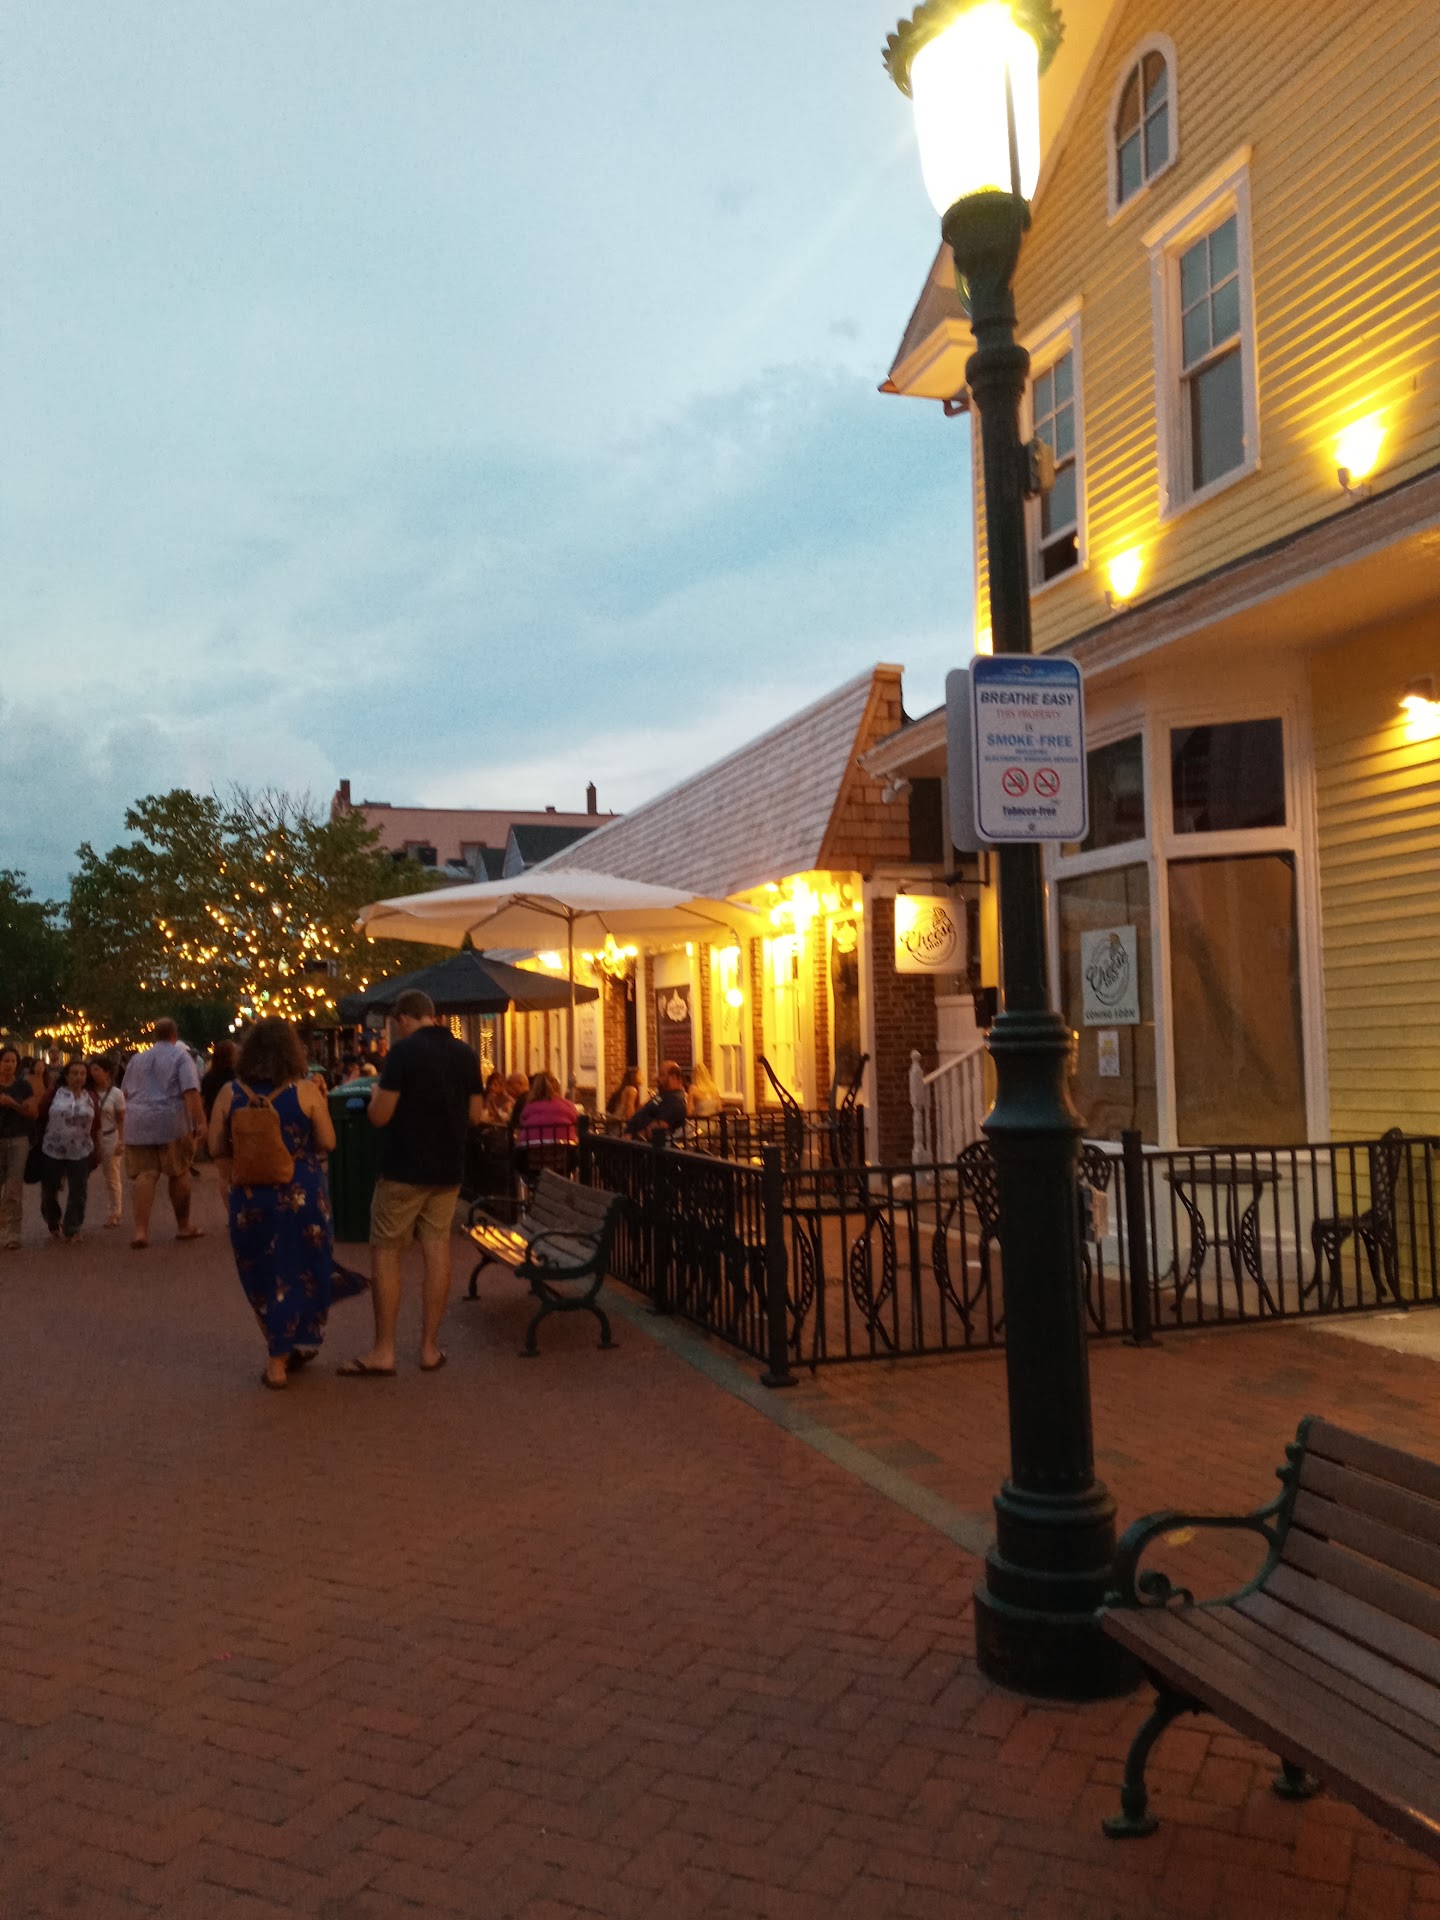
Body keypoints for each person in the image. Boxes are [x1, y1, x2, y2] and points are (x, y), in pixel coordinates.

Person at [209, 1018, 367, 1391]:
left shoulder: (230, 1093)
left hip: (251, 1197)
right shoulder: (306, 1091)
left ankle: (279, 1349)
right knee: (302, 1267)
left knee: (262, 1273)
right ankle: (280, 1357)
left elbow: (215, 1147)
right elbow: (328, 1141)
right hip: (302, 1193)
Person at [340, 989, 484, 1377]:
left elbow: (380, 1116)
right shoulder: (466, 1054)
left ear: (403, 1018)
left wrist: (375, 1095)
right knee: (437, 1250)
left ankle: (383, 1351)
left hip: (403, 1169)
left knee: (387, 1252)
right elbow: (475, 1115)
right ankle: (429, 1349)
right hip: (448, 1171)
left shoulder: (403, 1053)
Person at [122, 1016, 206, 1249]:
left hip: (138, 1122)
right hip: (171, 1122)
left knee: (145, 1175)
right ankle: (183, 1226)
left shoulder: (137, 1059)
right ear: (174, 1036)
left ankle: (140, 1231)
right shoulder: (181, 1057)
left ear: (154, 1036)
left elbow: (125, 1092)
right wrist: (200, 1121)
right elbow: (190, 1091)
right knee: (178, 1173)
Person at [37, 1058, 102, 1243]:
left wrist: (99, 1146)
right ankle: (52, 1218)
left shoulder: (91, 1097)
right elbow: (42, 1115)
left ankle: (72, 1227)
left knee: (78, 1190)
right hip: (53, 1148)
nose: (78, 1077)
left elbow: (97, 1123)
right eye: (74, 1073)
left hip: (81, 1149)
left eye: (82, 1074)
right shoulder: (55, 1094)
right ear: (66, 1076)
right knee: (50, 1188)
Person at [0, 1046, 40, 1251]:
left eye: (13, 1061)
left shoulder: (22, 1086)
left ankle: (11, 1233)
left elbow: (33, 1112)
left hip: (18, 1140)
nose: (9, 1065)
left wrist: (12, 1103)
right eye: (5, 1061)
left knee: (13, 1188)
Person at [90, 1057, 127, 1228]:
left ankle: (115, 1211)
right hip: (90, 1138)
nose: (93, 1073)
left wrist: (121, 1140)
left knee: (112, 1176)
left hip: (109, 1137)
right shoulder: (87, 1092)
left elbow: (121, 1119)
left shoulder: (116, 1094)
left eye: (97, 1069)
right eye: (92, 1069)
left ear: (107, 1073)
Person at [626, 1060, 689, 1139]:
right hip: (630, 1135)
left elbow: (660, 1125)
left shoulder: (675, 1100)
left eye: (662, 1075)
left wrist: (633, 1136)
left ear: (673, 1077)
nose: (658, 1078)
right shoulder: (661, 1095)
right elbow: (644, 1110)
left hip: (641, 1142)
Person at [514, 1072, 578, 1146]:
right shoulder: (568, 1106)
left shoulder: (528, 1107)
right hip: (564, 1148)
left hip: (533, 1149)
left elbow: (521, 1124)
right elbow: (576, 1125)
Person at [199, 1040, 237, 1121]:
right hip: (234, 1118)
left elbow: (202, 1101)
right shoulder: (238, 1077)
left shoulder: (209, 1077)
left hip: (213, 1117)